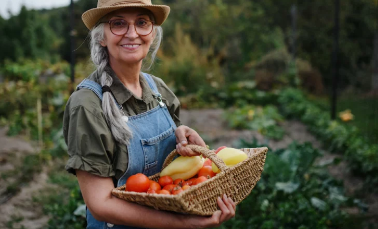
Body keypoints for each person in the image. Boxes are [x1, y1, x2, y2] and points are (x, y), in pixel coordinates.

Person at [63, 0, 236, 228]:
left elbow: (169, 176)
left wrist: (181, 138)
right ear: (101, 37)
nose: (132, 33)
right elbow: (101, 204)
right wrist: (182, 224)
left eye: (142, 22)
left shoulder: (158, 89)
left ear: (152, 33)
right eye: (118, 23)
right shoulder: (87, 105)